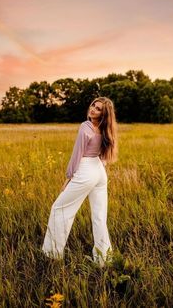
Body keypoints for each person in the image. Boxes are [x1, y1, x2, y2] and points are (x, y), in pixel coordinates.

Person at [42, 96, 118, 267]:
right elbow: (103, 157)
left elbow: (77, 154)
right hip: (99, 171)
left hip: (85, 170)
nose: (93, 109)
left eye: (98, 109)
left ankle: (52, 254)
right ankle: (103, 259)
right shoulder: (106, 129)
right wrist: (97, 170)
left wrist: (69, 178)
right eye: (93, 105)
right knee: (99, 217)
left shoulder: (85, 126)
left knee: (59, 209)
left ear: (104, 114)